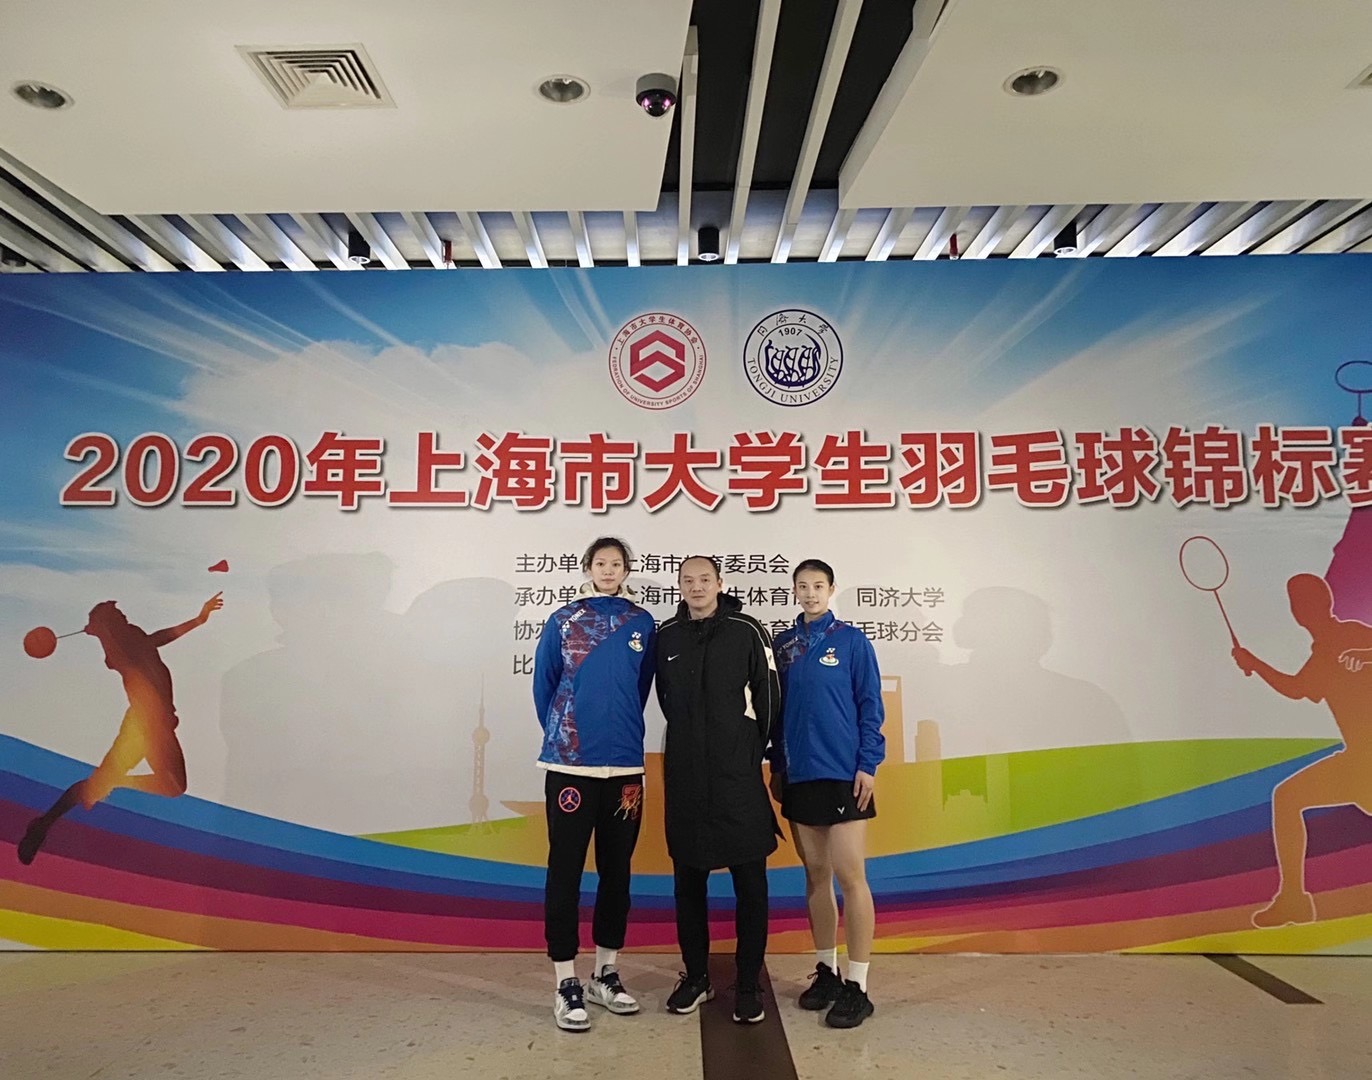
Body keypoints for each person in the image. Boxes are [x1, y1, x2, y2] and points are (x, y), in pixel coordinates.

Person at [533, 537, 656, 1032]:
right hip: (571, 766)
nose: (608, 570)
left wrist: (617, 729)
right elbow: (545, 685)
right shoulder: (564, 620)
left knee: (617, 871)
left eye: (616, 563)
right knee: (565, 870)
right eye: (600, 563)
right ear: (587, 567)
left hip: (624, 766)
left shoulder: (641, 622)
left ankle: (606, 972)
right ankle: (565, 980)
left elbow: (640, 687)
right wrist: (568, 732)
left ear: (626, 570)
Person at [655, 555, 780, 1025]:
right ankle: (696, 978)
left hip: (736, 778)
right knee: (688, 885)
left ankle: (748, 983)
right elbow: (666, 699)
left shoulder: (747, 630)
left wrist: (747, 752)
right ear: (679, 586)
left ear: (720, 583)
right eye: (688, 580)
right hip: (687, 778)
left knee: (751, 885)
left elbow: (769, 698)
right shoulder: (667, 635)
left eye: (705, 579)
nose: (697, 587)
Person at [18, 593, 224, 865]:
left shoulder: (126, 642)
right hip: (148, 726)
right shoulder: (125, 643)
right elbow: (144, 644)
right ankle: (52, 818)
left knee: (159, 785)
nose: (123, 615)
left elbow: (151, 641)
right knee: (171, 785)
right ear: (111, 624)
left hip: (148, 724)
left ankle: (46, 821)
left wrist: (198, 620)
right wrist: (101, 631)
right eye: (117, 614)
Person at [769, 559, 885, 1029]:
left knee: (851, 877)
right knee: (816, 875)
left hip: (843, 773)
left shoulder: (852, 641)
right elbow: (775, 711)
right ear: (794, 591)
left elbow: (870, 704)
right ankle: (827, 972)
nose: (811, 593)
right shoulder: (783, 646)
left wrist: (868, 764)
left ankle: (858, 985)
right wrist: (778, 767)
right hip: (799, 773)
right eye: (803, 586)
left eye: (818, 585)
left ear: (832, 589)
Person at [1232, 573, 1372, 928]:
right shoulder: (1329, 649)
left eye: (1302, 602)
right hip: (1358, 764)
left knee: (1287, 798)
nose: (1300, 609)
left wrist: (1254, 663)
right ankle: (1293, 901)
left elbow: (1297, 689)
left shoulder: (1350, 637)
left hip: (1365, 763)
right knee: (1288, 797)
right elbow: (1300, 688)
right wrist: (1255, 664)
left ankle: (1294, 901)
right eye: (1297, 602)